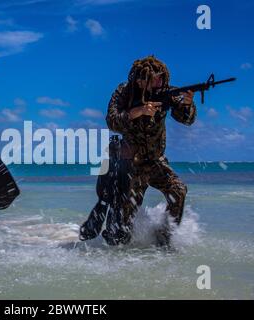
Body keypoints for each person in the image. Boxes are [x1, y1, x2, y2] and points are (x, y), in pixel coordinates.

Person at [79, 55, 197, 247]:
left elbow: (186, 119)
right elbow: (112, 121)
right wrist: (139, 111)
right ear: (141, 80)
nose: (159, 82)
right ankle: (114, 252)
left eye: (161, 77)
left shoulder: (168, 92)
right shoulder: (124, 92)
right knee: (121, 231)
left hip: (155, 161)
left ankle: (164, 239)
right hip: (129, 165)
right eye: (154, 78)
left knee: (178, 190)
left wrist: (187, 105)